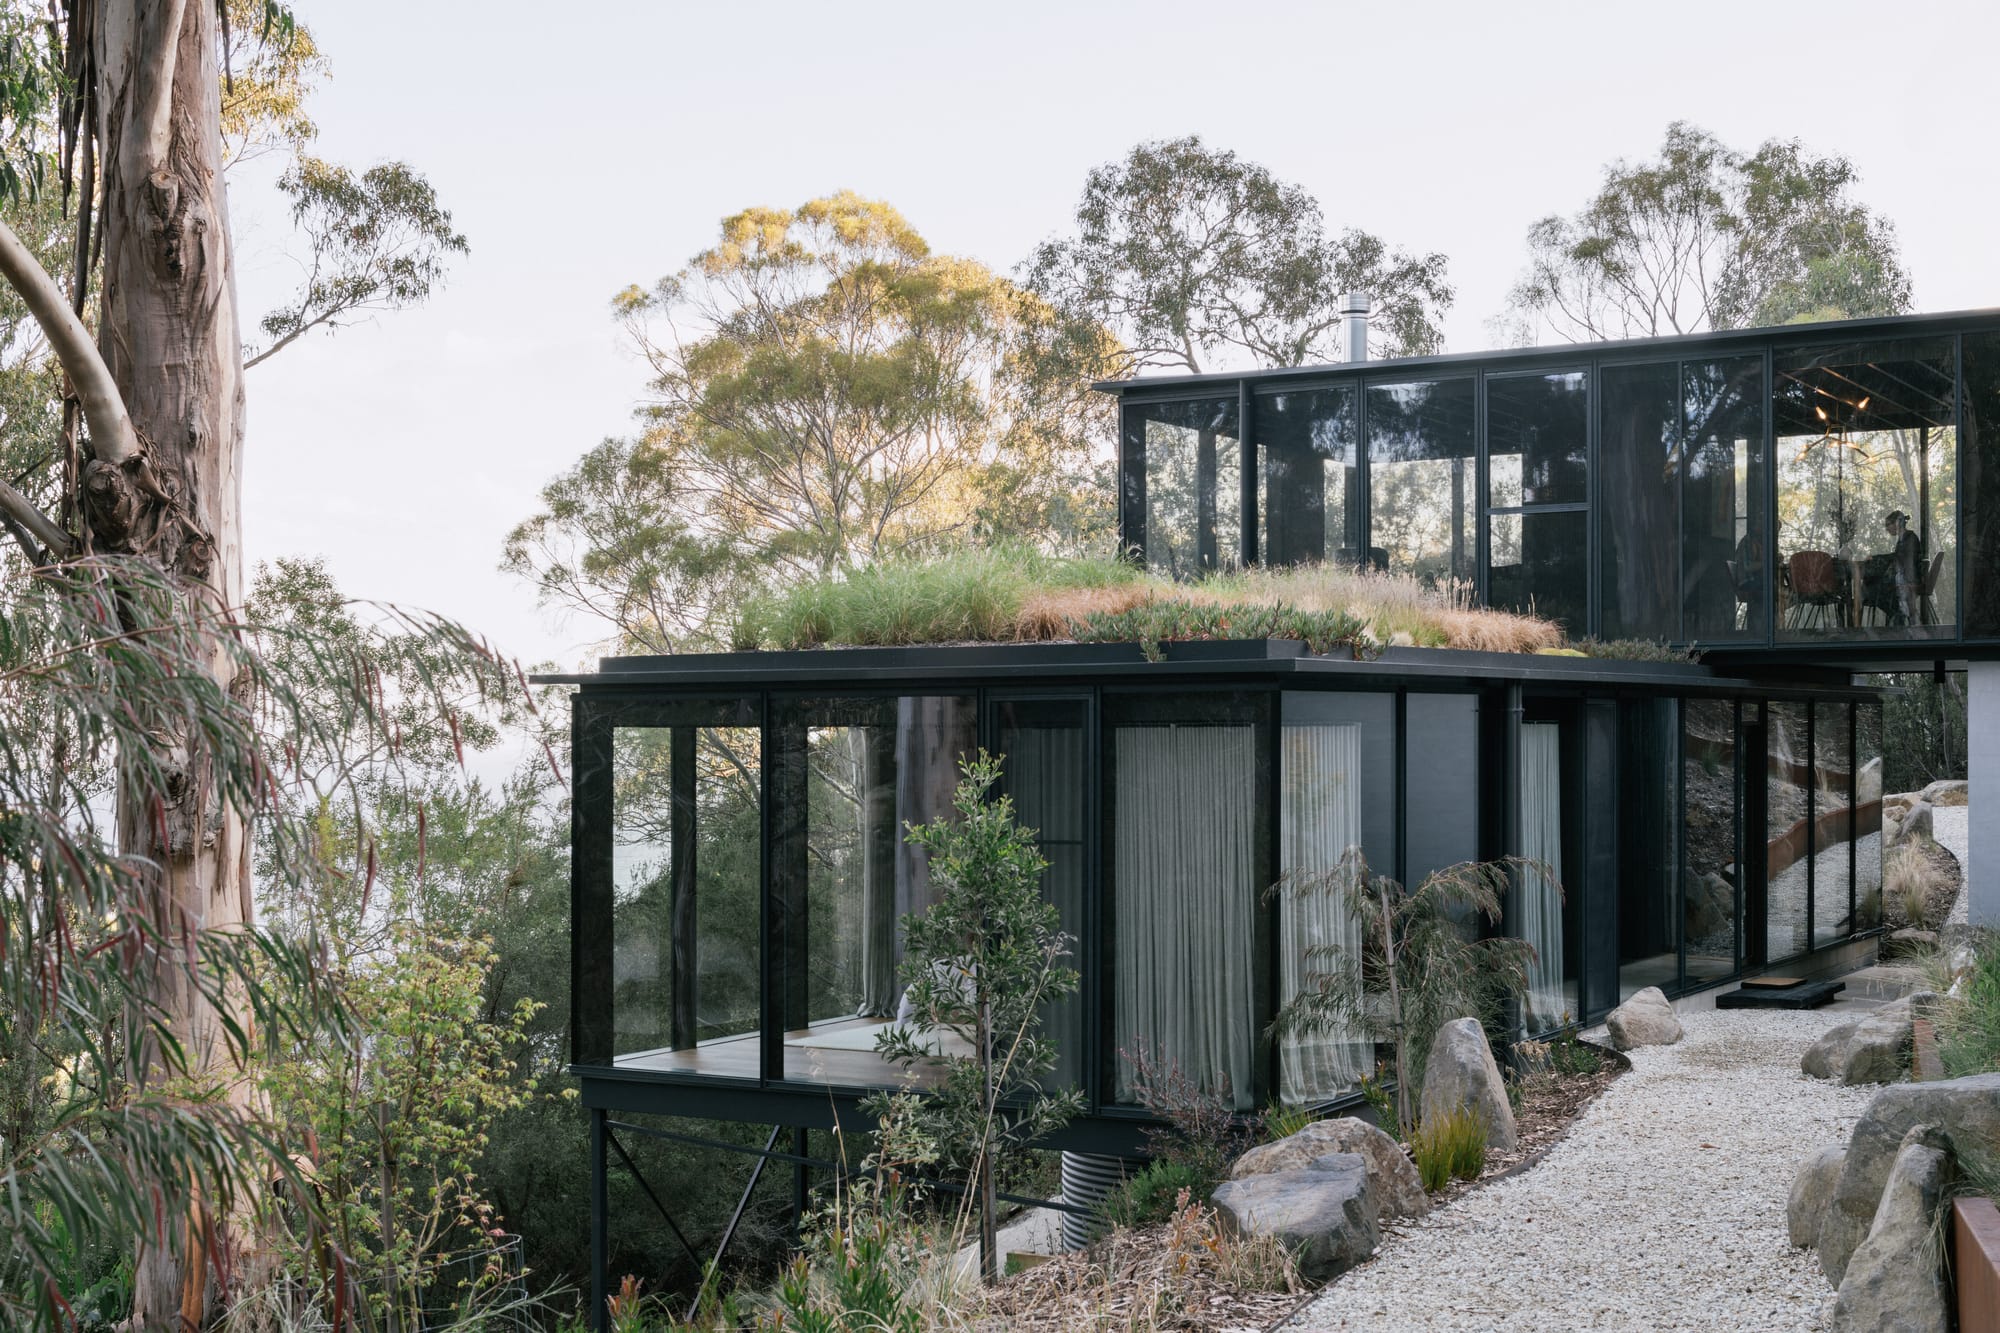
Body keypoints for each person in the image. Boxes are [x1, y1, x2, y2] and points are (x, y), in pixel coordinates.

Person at [1878, 510, 1922, 625]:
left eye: (1888, 525)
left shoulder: (1910, 538)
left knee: (1878, 591)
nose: (1887, 528)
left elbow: (1906, 562)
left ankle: (1897, 619)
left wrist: (1908, 584)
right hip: (1903, 579)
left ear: (1897, 523)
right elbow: (1897, 558)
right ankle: (1897, 618)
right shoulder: (1903, 539)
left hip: (1907, 581)